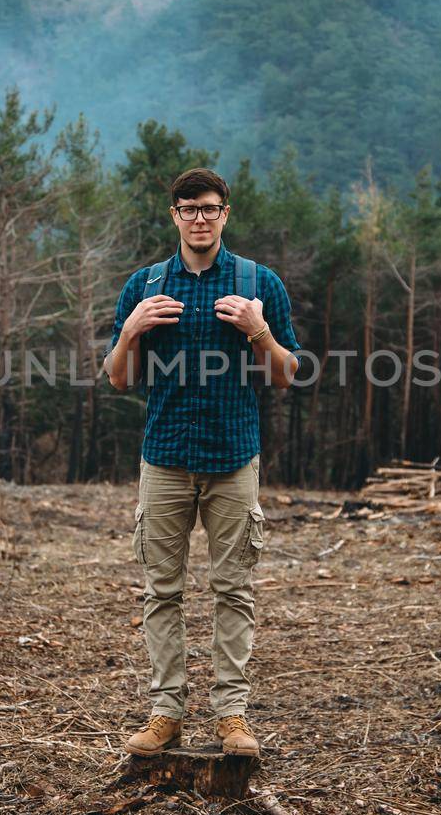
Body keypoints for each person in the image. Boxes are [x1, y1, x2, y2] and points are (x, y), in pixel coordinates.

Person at [104, 167, 301, 758]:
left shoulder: (257, 282)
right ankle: (166, 714)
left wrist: (260, 331)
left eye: (210, 208)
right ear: (174, 216)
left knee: (233, 589)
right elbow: (117, 378)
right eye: (188, 208)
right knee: (160, 591)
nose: (199, 218)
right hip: (163, 460)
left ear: (225, 214)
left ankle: (232, 717)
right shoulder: (144, 285)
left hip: (233, 458)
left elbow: (288, 375)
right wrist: (132, 330)